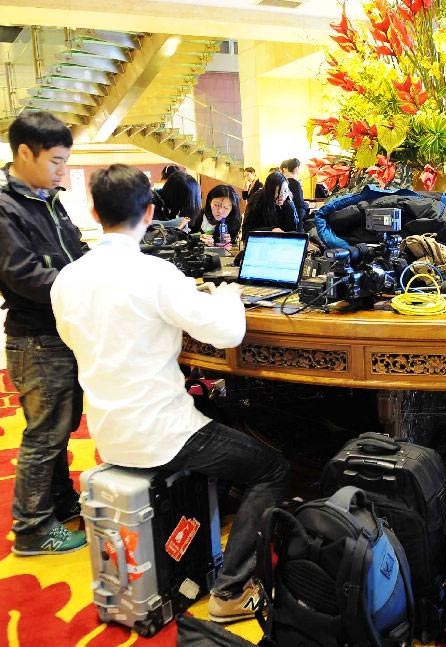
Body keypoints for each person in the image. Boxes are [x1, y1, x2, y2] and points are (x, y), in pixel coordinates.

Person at [50, 164, 290, 623]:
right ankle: (232, 591)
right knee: (272, 468)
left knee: (212, 407)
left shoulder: (68, 279)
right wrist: (228, 297)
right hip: (164, 436)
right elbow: (227, 333)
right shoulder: (155, 274)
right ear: (148, 211)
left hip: (107, 432)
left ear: (96, 211)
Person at [0, 110, 88, 556]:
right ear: (25, 152)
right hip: (36, 337)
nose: (62, 171)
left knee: (60, 428)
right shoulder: (0, 208)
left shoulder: (46, 197)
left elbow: (75, 250)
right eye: (56, 161)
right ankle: (32, 527)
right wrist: (84, 286)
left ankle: (59, 502)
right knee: (44, 435)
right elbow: (24, 277)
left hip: (61, 330)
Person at [241, 171, 300, 240]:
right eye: (278, 192)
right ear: (270, 191)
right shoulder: (257, 201)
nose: (282, 196)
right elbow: (246, 233)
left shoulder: (288, 202)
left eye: (285, 191)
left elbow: (293, 229)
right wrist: (271, 230)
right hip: (261, 243)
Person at [279, 157, 311, 223]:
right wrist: (308, 205)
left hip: (285, 215)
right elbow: (299, 203)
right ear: (296, 168)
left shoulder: (282, 182)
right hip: (297, 215)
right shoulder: (295, 183)